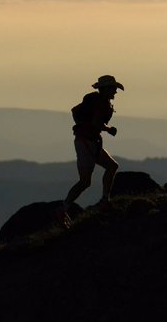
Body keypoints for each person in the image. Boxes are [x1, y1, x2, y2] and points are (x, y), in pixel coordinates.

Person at [62, 75, 124, 222]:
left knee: (109, 167)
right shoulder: (101, 103)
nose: (115, 91)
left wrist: (84, 125)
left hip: (86, 141)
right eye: (113, 88)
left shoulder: (94, 101)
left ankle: (104, 200)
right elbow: (96, 122)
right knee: (86, 180)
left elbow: (75, 110)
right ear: (106, 89)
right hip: (87, 142)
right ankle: (63, 209)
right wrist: (108, 129)